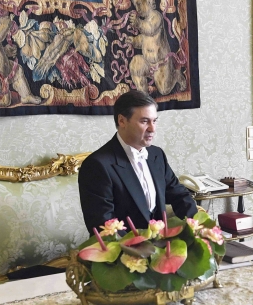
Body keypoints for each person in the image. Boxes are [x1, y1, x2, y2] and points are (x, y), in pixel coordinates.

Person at [78, 90, 197, 234]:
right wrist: (142, 247)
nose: (152, 129)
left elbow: (180, 196)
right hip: (123, 246)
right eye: (144, 121)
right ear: (122, 121)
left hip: (162, 243)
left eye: (154, 121)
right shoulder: (97, 165)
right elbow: (103, 225)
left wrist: (196, 229)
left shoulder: (157, 155)